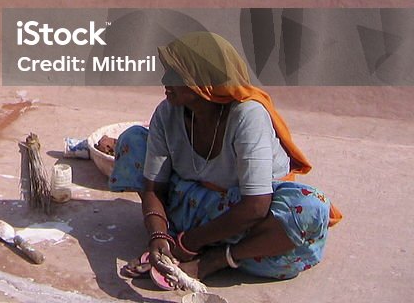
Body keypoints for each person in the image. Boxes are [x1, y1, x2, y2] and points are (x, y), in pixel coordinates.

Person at [109, 32, 338, 287]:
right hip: (191, 204)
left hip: (243, 217)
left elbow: (256, 207)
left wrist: (188, 243)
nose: (165, 81)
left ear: (203, 82)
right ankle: (175, 248)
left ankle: (215, 260)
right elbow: (153, 188)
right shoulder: (167, 113)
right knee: (133, 140)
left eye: (175, 74)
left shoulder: (247, 115)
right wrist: (158, 236)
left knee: (311, 206)